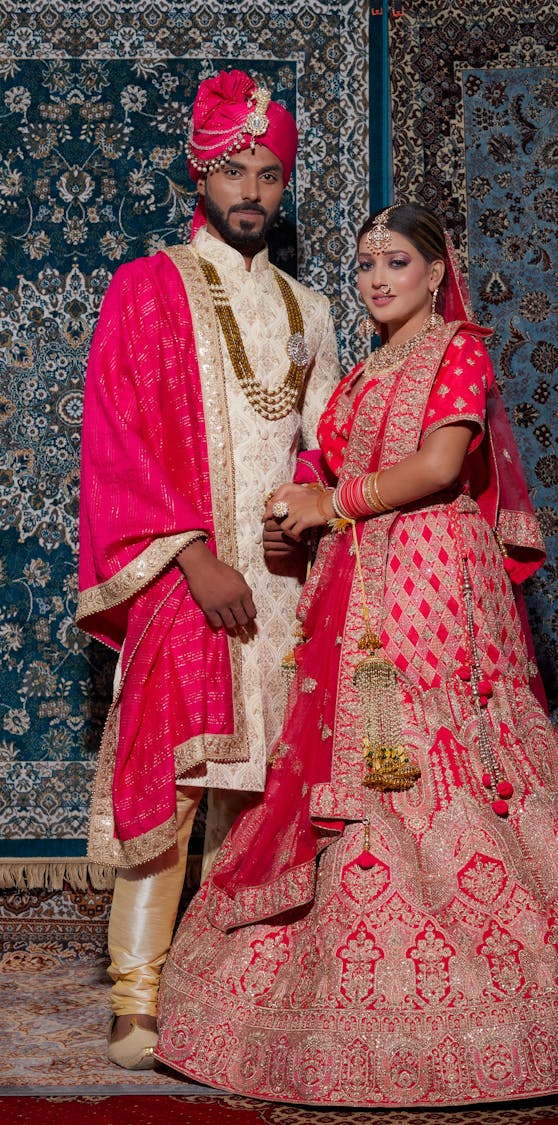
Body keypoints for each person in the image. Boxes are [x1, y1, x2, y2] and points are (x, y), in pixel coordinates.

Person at [154, 203, 558, 1106]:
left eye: (396, 263)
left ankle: (513, 1001)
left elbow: (435, 466)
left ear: (434, 271)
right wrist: (299, 509)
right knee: (357, 771)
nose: (377, 280)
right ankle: (340, 1006)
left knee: (435, 755)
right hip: (357, 579)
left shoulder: (456, 347)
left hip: (432, 574)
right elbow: (332, 469)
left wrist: (332, 504)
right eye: (365, 266)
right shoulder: (364, 372)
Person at [76, 69, 340, 1070]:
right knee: (177, 773)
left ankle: (229, 986)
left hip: (282, 585)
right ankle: (137, 996)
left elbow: (320, 443)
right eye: (233, 167)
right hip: (184, 571)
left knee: (264, 785)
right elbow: (118, 439)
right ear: (200, 170)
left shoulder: (311, 306)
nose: (251, 190)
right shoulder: (148, 286)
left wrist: (304, 518)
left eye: (269, 173)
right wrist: (194, 557)